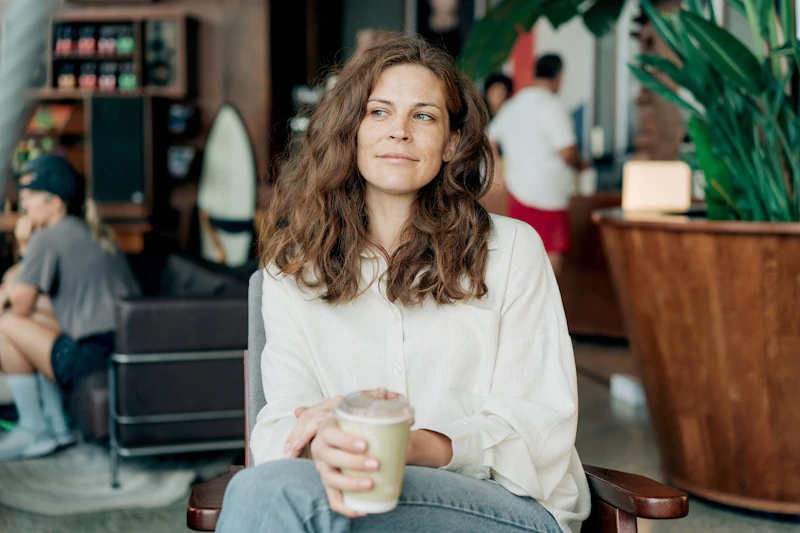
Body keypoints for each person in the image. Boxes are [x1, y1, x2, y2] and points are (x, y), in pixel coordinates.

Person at [217, 35, 590, 533]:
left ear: (452, 142)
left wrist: (404, 447)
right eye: (378, 112)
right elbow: (283, 421)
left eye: (424, 116)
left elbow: (539, 426)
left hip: (504, 506)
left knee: (267, 494)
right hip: (348, 499)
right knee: (273, 489)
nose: (399, 131)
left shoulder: (512, 250)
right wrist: (318, 444)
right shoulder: (293, 272)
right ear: (350, 130)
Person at [0, 155, 141, 461]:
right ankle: (56, 426)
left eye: (30, 196)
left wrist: (23, 244)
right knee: (34, 315)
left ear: (54, 202)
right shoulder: (85, 229)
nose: (23, 203)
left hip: (92, 356)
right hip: (120, 347)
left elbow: (20, 305)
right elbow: (30, 298)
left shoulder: (47, 238)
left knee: (6, 325)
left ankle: (35, 428)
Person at [488, 54, 590, 276]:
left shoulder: (513, 104)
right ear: (559, 76)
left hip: (517, 190)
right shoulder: (552, 106)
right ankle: (548, 298)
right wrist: (581, 164)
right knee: (551, 251)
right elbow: (567, 152)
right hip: (547, 194)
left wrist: (497, 173)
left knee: (522, 250)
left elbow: (489, 138)